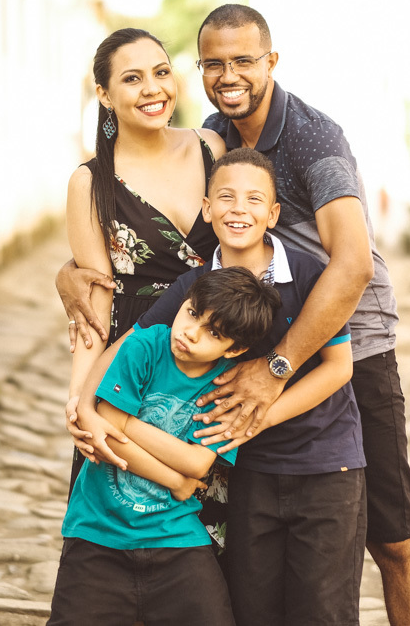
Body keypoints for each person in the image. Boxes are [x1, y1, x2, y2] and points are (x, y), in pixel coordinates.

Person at [58, 5, 410, 625]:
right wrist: (70, 281)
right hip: (185, 353)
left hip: (338, 338)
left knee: (392, 537)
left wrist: (277, 368)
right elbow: (109, 268)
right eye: (214, 63)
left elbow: (352, 267)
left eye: (243, 61)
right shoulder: (215, 135)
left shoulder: (307, 140)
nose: (228, 75)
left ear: (271, 61)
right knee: (218, 548)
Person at [75, 149, 366, 625]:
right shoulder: (194, 288)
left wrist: (255, 418)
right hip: (246, 472)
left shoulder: (308, 274)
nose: (238, 209)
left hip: (323, 460)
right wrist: (86, 404)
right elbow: (128, 342)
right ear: (207, 208)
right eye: (226, 197)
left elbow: (338, 368)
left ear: (273, 214)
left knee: (322, 610)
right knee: (252, 608)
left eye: (254, 199)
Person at [48, 266, 280, 626]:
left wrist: (125, 422)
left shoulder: (226, 388)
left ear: (235, 348)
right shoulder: (144, 347)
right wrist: (175, 480)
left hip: (176, 536)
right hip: (97, 529)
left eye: (213, 332)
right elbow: (105, 435)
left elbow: (197, 464)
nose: (190, 332)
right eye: (192, 313)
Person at [62, 27, 226, 491]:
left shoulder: (211, 149)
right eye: (132, 79)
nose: (153, 89)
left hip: (211, 348)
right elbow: (94, 300)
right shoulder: (90, 183)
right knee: (123, 495)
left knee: (211, 502)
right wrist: (79, 396)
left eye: (161, 73)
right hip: (134, 356)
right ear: (104, 94)